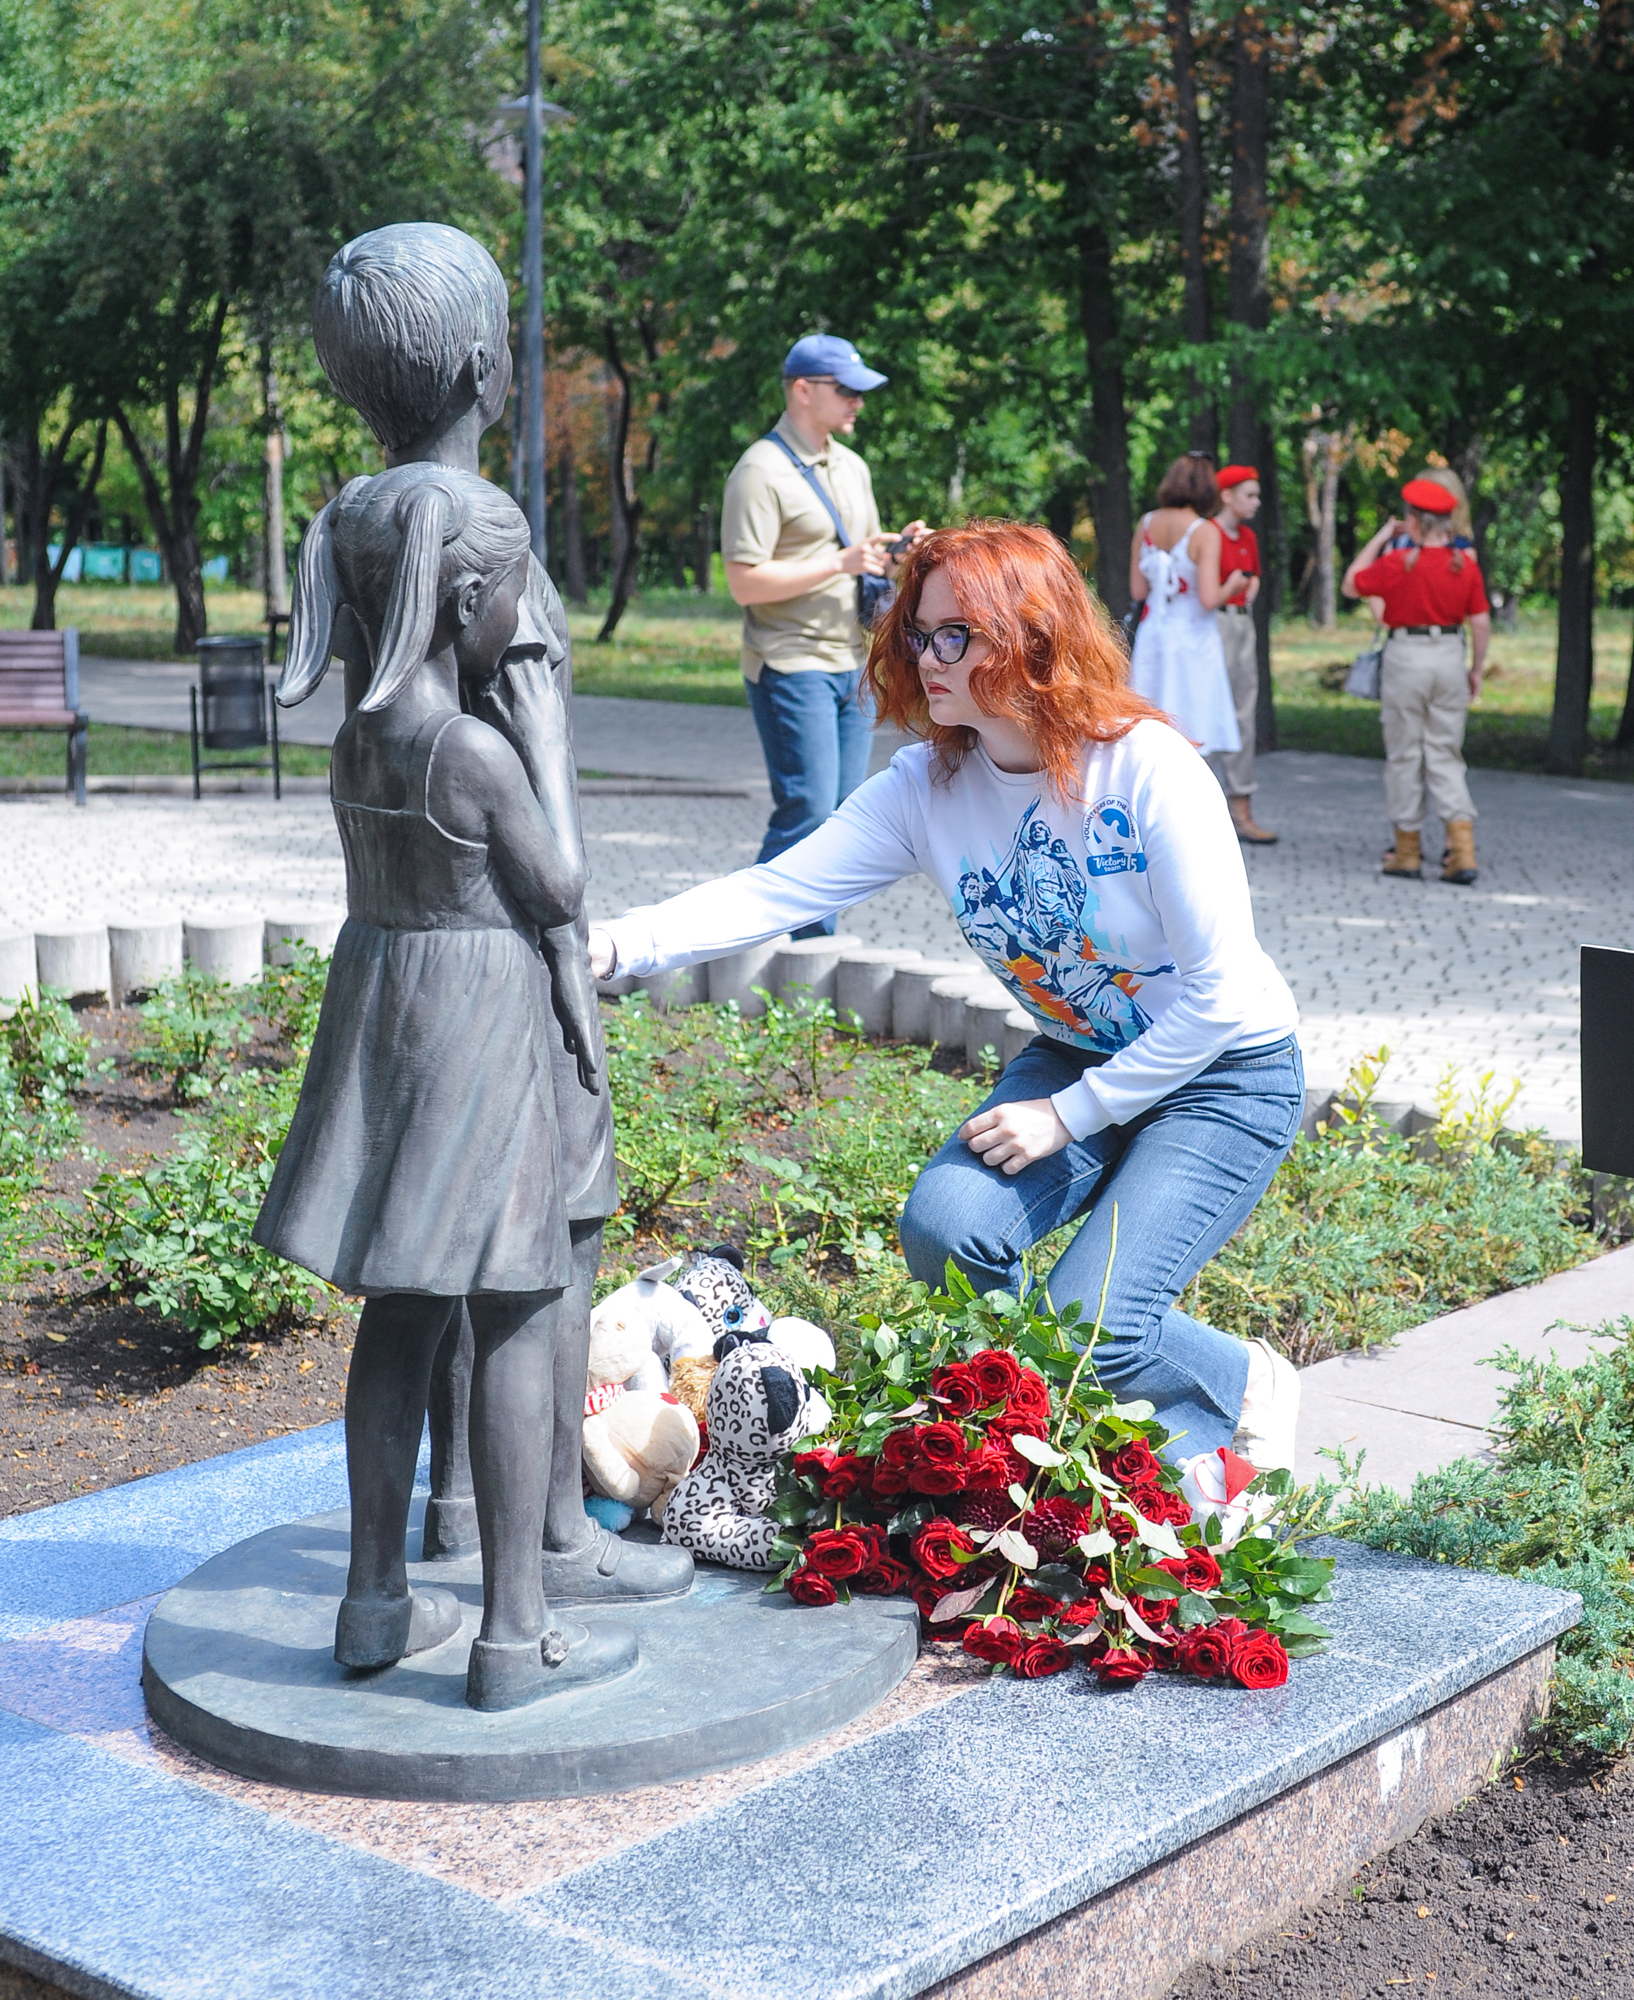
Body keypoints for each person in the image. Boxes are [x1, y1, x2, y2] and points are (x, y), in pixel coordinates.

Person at [588, 522, 1305, 1476]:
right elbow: (776, 890)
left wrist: (1069, 1114)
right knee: (948, 1230)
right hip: (1082, 1051)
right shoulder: (928, 785)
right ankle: (1057, 1432)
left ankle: (1238, 1386)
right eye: (919, 632)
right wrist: (613, 945)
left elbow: (1218, 995)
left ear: (1032, 636)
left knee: (1090, 1322)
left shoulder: (1148, 768)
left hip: (1225, 1073)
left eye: (956, 635)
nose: (928, 656)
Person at [289, 223, 686, 1608]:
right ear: (477, 364)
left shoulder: (351, 518)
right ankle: (551, 1550)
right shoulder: (487, 545)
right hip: (504, 960)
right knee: (545, 1234)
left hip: (392, 955)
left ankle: (449, 1513)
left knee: (419, 1257)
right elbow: (536, 806)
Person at [256, 465, 636, 1711]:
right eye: (512, 600)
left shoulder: (360, 732)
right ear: (467, 593)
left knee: (404, 1302)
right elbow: (560, 885)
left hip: (387, 1004)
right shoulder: (472, 746)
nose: (521, 626)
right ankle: (514, 1636)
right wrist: (550, 727)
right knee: (518, 1302)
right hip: (478, 1020)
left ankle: (373, 1601)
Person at [721, 333, 925, 935]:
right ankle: (743, 938)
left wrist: (894, 553)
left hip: (851, 662)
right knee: (806, 814)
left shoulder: (852, 466)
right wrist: (842, 563)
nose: (858, 402)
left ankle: (808, 953)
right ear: (803, 391)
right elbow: (744, 583)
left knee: (839, 822)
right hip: (791, 662)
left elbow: (860, 558)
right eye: (847, 390)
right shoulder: (758, 471)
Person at [1342, 477, 1491, 886]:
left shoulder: (1397, 562)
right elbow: (1479, 623)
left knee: (1405, 755)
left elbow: (1351, 582)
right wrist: (1475, 669)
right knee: (1445, 754)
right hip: (1448, 656)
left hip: (1405, 658)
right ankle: (1461, 852)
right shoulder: (1466, 566)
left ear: (1414, 521)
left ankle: (1406, 852)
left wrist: (1380, 538)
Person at [1126, 455, 1245, 770]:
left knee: (1151, 722)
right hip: (1192, 635)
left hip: (1153, 632)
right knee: (1193, 719)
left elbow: (1138, 591)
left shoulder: (1147, 522)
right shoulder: (1204, 531)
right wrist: (1232, 585)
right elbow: (1208, 598)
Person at [1211, 465, 1277, 844]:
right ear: (1227, 496)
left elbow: (1253, 572)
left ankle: (1241, 809)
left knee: (1243, 713)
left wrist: (1251, 583)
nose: (1256, 501)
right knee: (1207, 712)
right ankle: (1197, 810)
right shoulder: (1209, 533)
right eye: (1249, 495)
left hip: (1241, 622)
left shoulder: (1247, 535)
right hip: (1212, 624)